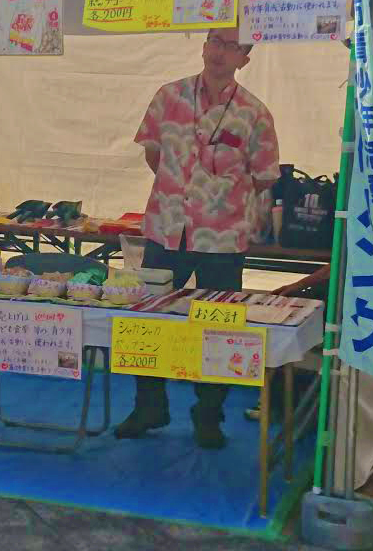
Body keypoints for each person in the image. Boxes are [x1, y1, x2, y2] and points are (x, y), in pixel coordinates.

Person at [122, 26, 280, 449]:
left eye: (232, 47)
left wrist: (219, 198)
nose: (220, 52)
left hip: (222, 238)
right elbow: (153, 153)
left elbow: (265, 176)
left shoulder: (254, 113)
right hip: (167, 227)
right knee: (148, 319)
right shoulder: (169, 96)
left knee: (219, 326)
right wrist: (181, 189)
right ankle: (148, 406)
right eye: (215, 41)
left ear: (245, 58)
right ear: (204, 45)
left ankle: (209, 414)